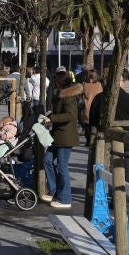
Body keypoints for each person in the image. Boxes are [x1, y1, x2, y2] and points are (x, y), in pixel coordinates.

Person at [42, 71, 83, 209]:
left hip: (65, 136)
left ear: (60, 82)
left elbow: (71, 115)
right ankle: (54, 191)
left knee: (62, 167)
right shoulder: (59, 94)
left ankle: (65, 198)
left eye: (55, 81)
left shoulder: (69, 97)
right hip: (57, 135)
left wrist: (52, 118)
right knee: (47, 160)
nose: (54, 83)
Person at [80, 69, 102, 147]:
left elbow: (81, 94)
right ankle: (94, 141)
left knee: (87, 126)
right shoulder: (99, 85)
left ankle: (88, 141)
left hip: (87, 108)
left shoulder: (85, 85)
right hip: (96, 108)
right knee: (95, 126)